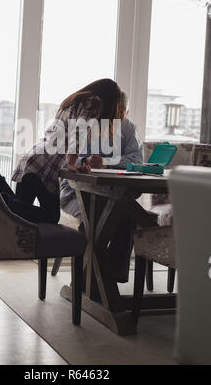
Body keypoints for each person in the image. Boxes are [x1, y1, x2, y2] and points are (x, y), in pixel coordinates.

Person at [0, 79, 122, 224]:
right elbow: (78, 132)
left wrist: (75, 163)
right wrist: (72, 162)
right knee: (50, 217)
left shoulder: (74, 100)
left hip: (35, 158)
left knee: (19, 218)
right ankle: (2, 199)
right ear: (110, 99)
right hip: (44, 167)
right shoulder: (93, 102)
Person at [59, 92, 143, 283]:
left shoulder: (129, 128)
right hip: (76, 192)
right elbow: (65, 159)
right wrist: (84, 160)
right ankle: (82, 280)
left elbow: (137, 159)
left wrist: (107, 162)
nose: (116, 117)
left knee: (127, 214)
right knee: (95, 216)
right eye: (113, 112)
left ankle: (108, 279)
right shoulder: (88, 123)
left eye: (121, 113)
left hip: (113, 194)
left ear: (127, 113)